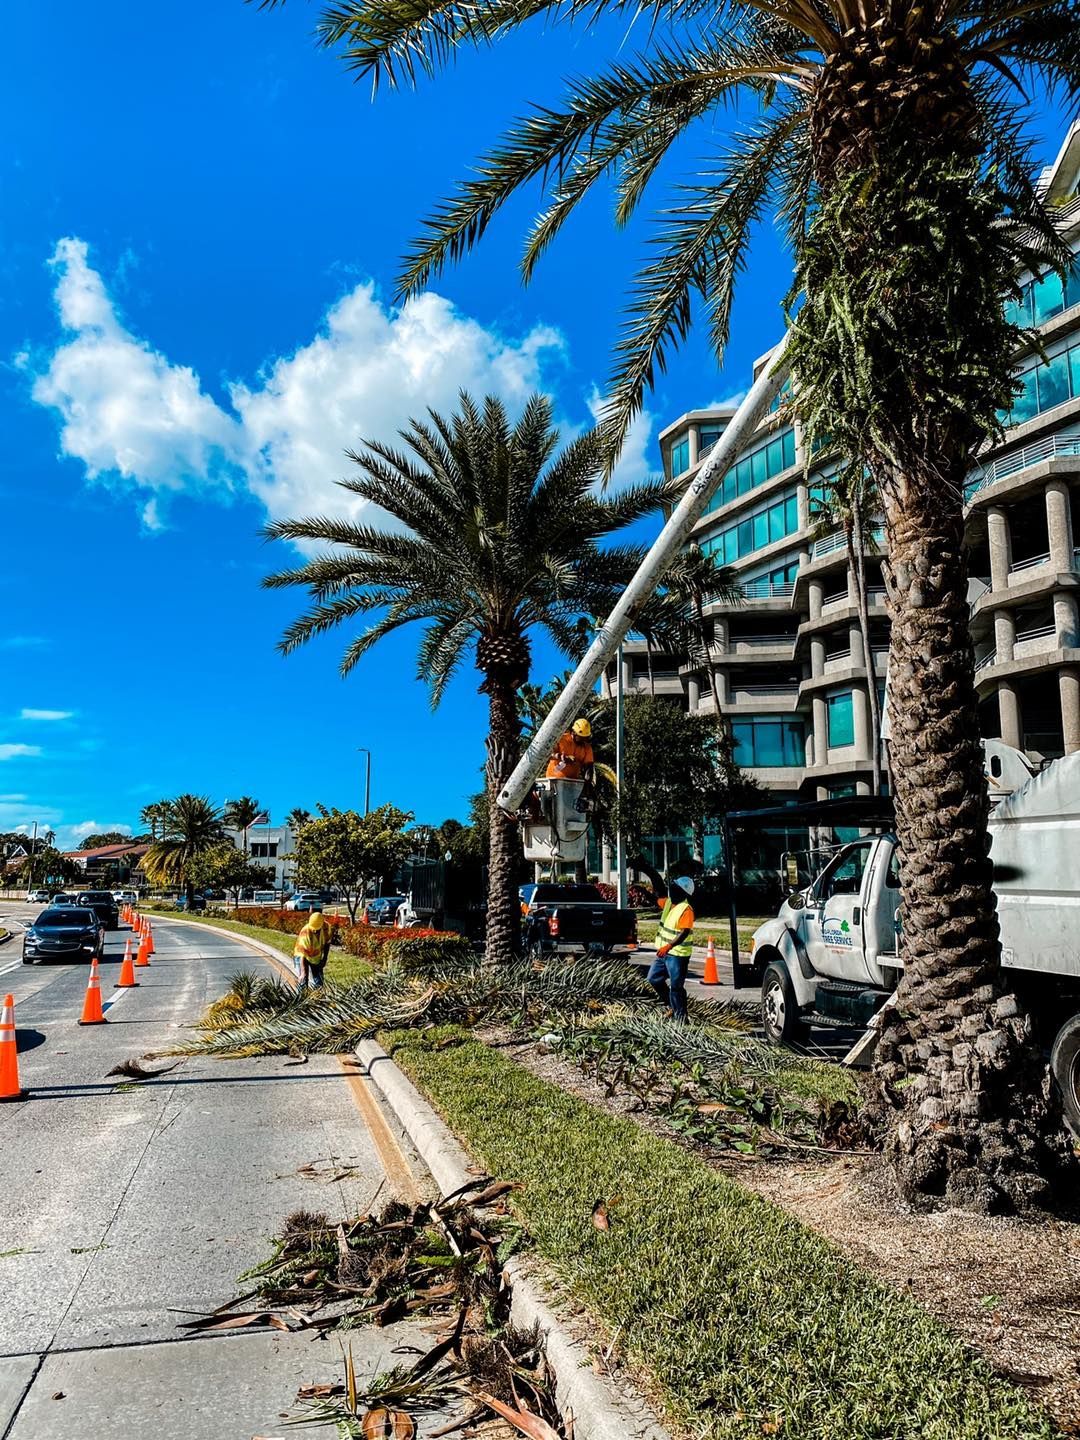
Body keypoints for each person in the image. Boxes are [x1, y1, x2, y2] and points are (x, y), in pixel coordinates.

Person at [632, 859, 696, 1022]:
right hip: (665, 954)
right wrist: (642, 891)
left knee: (676, 987)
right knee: (653, 978)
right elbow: (656, 901)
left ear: (683, 893)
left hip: (677, 955)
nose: (671, 891)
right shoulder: (669, 903)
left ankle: (681, 1018)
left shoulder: (686, 909)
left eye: (675, 889)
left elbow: (684, 932)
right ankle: (671, 1006)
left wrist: (668, 946)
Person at [294, 903, 332, 989]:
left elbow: (327, 943)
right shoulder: (306, 932)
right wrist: (303, 972)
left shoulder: (326, 928)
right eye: (313, 929)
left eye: (317, 930)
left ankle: (318, 1000)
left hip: (316, 956)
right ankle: (301, 999)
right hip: (301, 956)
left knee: (319, 981)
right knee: (303, 981)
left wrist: (324, 958)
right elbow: (302, 955)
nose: (314, 931)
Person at [545, 718, 595, 782]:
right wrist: (559, 756)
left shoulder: (587, 747)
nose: (583, 740)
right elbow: (546, 755)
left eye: (585, 738)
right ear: (574, 733)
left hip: (572, 782)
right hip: (553, 780)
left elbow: (589, 767)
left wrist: (587, 783)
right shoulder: (562, 739)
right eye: (581, 737)